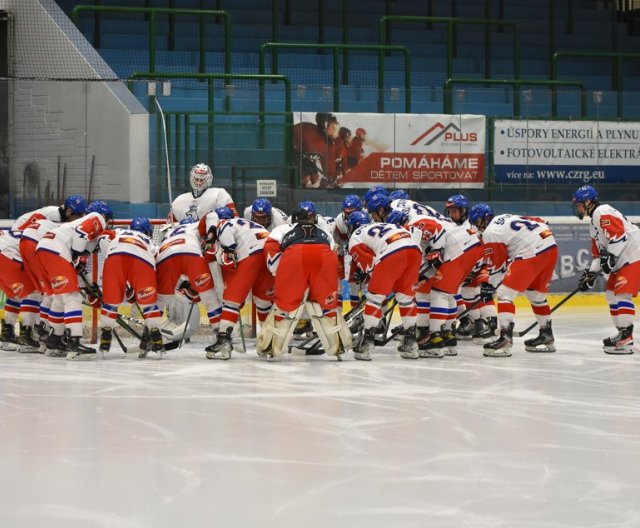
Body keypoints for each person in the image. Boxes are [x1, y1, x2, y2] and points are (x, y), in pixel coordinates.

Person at [258, 201, 350, 358]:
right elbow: (333, 253)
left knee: (284, 306)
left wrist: (281, 274)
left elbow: (271, 254)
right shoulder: (324, 231)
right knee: (326, 305)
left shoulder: (281, 229)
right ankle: (339, 345)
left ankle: (270, 347)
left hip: (295, 256)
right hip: (324, 257)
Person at [469, 204, 558, 357]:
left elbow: (498, 265)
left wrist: (489, 285)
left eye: (477, 221)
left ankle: (505, 338)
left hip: (532, 251)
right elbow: (541, 221)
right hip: (550, 246)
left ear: (485, 218)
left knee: (504, 293)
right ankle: (546, 334)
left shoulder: (490, 232)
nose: (477, 226)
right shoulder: (504, 217)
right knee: (535, 294)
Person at [34, 200, 113, 360]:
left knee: (60, 298)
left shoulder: (81, 228)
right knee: (73, 297)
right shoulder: (97, 217)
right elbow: (82, 233)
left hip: (43, 250)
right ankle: (74, 343)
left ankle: (55, 341)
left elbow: (79, 266)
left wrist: (90, 286)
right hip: (57, 250)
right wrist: (76, 256)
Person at [573, 185, 640, 354]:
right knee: (611, 295)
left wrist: (609, 257)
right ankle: (622, 334)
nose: (578, 208)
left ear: (588, 202)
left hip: (633, 254)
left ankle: (626, 337)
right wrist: (590, 274)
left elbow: (619, 236)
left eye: (579, 204)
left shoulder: (602, 211)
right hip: (622, 259)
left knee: (622, 294)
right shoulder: (593, 225)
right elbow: (598, 256)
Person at [347, 211, 422, 361]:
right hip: (415, 250)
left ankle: (366, 343)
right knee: (406, 298)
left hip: (392, 252)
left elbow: (371, 266)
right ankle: (411, 342)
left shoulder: (355, 236)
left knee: (374, 298)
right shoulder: (383, 225)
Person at [204, 214, 275, 360]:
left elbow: (225, 231)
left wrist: (229, 250)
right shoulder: (248, 224)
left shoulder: (224, 223)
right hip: (269, 251)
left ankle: (223, 340)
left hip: (250, 253)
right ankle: (269, 341)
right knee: (263, 302)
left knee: (231, 302)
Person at [99, 217, 164, 358]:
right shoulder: (151, 242)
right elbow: (156, 262)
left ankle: (105, 338)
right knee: (149, 304)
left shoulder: (118, 231)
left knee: (110, 303)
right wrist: (137, 286)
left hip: (114, 258)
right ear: (148, 231)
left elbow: (102, 238)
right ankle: (156, 339)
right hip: (143, 259)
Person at [156, 218, 223, 347]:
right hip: (191, 253)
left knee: (161, 298)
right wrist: (211, 235)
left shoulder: (169, 231)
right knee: (209, 297)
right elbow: (211, 215)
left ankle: (149, 333)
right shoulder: (196, 226)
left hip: (165, 256)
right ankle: (221, 336)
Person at [443, 194, 497, 343]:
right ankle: (475, 322)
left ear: (463, 210)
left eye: (455, 211)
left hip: (482, 261)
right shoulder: (453, 225)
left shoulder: (473, 226)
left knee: (482, 288)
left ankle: (490, 323)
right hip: (469, 263)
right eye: (450, 211)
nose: (452, 215)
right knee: (464, 290)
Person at [170, 163, 237, 223]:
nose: (198, 182)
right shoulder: (178, 201)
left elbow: (235, 221)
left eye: (202, 180)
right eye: (196, 179)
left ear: (209, 180)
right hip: (187, 235)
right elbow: (169, 228)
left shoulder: (220, 194)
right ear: (191, 178)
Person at [333, 194, 363, 311]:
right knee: (354, 284)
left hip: (370, 250)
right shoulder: (340, 221)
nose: (349, 216)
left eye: (352, 212)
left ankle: (375, 318)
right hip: (355, 250)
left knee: (371, 286)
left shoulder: (369, 218)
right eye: (346, 212)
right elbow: (336, 243)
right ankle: (355, 316)